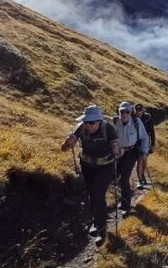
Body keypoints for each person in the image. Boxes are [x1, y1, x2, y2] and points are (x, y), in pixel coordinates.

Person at [61, 104, 121, 246]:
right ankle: (96, 221)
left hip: (105, 167)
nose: (88, 125)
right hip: (87, 165)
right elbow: (64, 148)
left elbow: (118, 149)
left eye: (91, 122)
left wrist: (116, 148)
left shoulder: (108, 129)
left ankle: (101, 228)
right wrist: (68, 142)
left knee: (97, 194)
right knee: (91, 193)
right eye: (86, 121)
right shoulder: (81, 128)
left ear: (99, 121)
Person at [112, 101, 149, 217]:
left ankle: (126, 206)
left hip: (131, 153)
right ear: (118, 112)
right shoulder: (114, 122)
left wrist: (144, 151)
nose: (124, 114)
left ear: (130, 113)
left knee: (123, 178)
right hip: (117, 153)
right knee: (116, 177)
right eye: (122, 111)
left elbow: (144, 138)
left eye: (127, 112)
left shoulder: (136, 122)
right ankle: (124, 198)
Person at [133, 103, 156, 186]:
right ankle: (140, 179)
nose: (138, 112)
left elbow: (152, 131)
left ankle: (142, 174)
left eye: (140, 110)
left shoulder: (147, 118)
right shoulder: (133, 118)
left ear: (143, 110)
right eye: (137, 110)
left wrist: (153, 144)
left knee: (144, 160)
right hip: (136, 142)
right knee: (139, 160)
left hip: (146, 141)